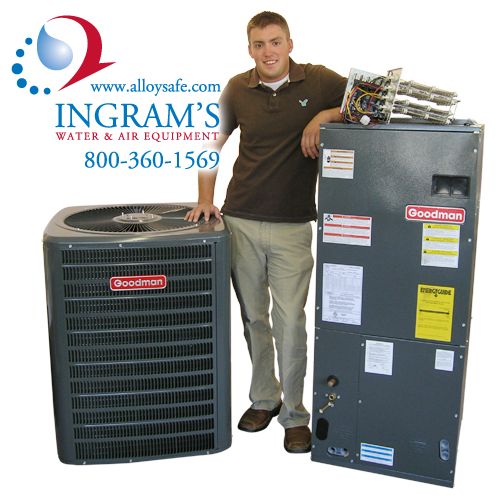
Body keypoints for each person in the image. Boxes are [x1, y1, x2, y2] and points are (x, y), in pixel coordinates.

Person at [186, 11, 347, 453]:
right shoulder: (237, 88)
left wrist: (324, 116)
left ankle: (295, 414)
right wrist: (205, 198)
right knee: (254, 318)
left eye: (275, 42)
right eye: (259, 45)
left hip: (293, 225)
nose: (268, 52)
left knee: (290, 323)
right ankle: (265, 398)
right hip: (240, 220)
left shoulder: (318, 81)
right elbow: (209, 142)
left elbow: (369, 103)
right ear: (249, 49)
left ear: (290, 45)